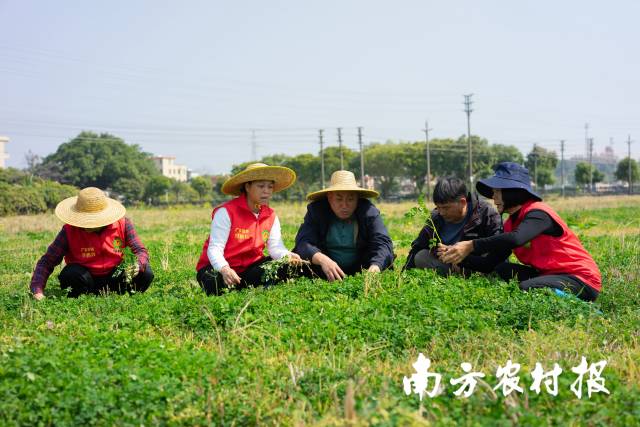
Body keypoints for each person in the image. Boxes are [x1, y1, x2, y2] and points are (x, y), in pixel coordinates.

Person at [440, 162, 601, 301]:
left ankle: (583, 308)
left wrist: (471, 245)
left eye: (497, 192)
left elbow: (517, 239)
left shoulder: (538, 213)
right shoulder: (511, 223)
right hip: (550, 275)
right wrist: (455, 255)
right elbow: (489, 264)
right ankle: (551, 291)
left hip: (581, 280)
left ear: (512, 191)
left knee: (526, 287)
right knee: (501, 268)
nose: (493, 197)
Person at [195, 163, 302, 295]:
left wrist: (287, 256)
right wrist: (225, 269)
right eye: (261, 186)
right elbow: (215, 248)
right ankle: (243, 287)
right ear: (247, 186)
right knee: (214, 282)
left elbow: (275, 248)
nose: (266, 191)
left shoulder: (271, 215)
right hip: (218, 268)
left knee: (285, 265)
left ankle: (245, 287)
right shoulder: (226, 212)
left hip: (250, 268)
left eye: (270, 187)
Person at [30, 187, 153, 299]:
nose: (87, 225)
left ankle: (128, 296)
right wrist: (37, 290)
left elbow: (140, 250)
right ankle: (85, 297)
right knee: (70, 274)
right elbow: (47, 261)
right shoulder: (69, 230)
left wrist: (138, 264)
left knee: (145, 273)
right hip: (86, 281)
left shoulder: (123, 224)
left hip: (117, 279)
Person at [293, 170, 394, 281]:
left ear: (357, 199)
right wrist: (323, 260)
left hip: (362, 269)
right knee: (291, 264)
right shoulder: (316, 211)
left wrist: (376, 266)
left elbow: (383, 242)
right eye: (339, 199)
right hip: (322, 271)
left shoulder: (368, 211)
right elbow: (303, 242)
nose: (345, 205)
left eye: (350, 199)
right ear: (330, 198)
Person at [404, 176, 502, 275]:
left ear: (462, 202)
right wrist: (404, 273)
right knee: (421, 256)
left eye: (446, 208)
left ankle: (472, 275)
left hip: (479, 265)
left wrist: (464, 256)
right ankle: (456, 275)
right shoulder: (436, 217)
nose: (441, 212)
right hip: (448, 265)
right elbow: (418, 246)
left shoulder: (486, 213)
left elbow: (498, 246)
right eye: (438, 207)